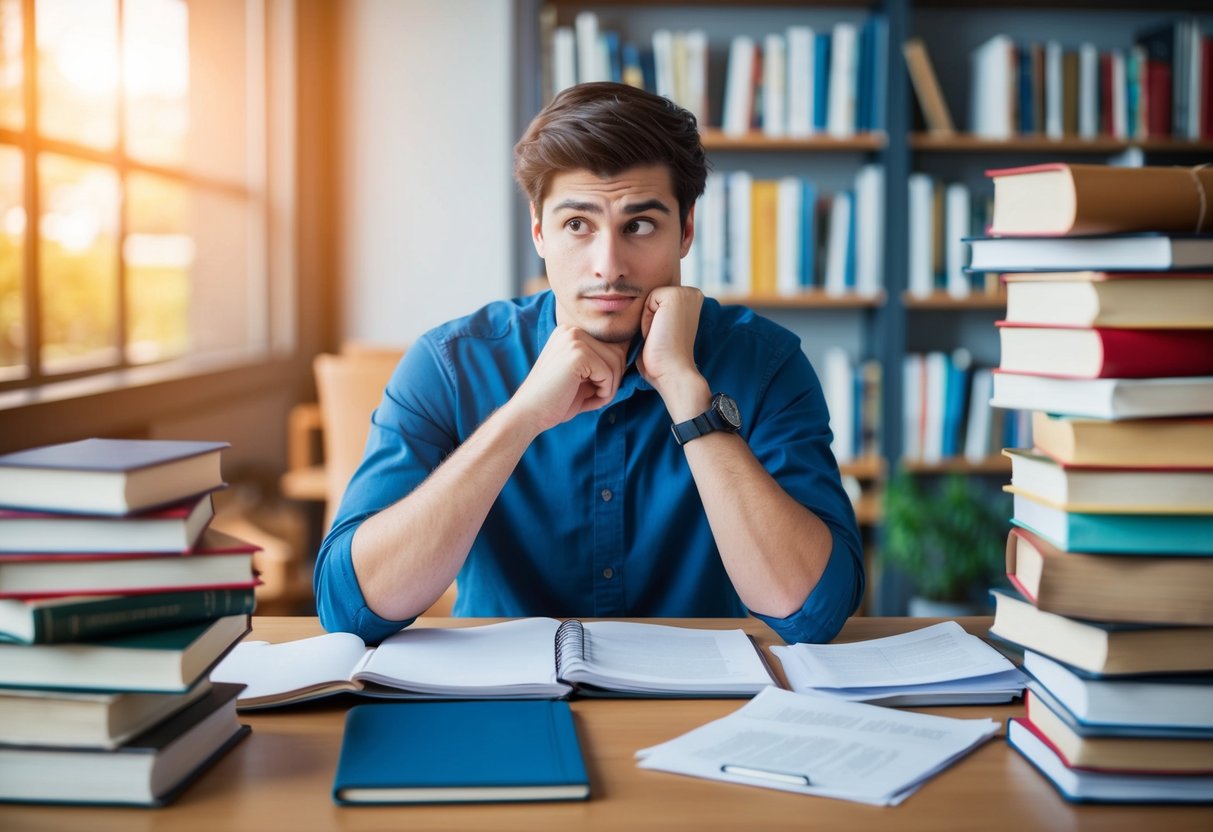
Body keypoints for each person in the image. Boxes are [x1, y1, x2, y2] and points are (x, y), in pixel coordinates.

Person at [314, 82, 864, 645]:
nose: (609, 266)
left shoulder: (767, 364)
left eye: (640, 224)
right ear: (539, 231)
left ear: (686, 230)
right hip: (504, 702)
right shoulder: (449, 364)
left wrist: (686, 394)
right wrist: (523, 415)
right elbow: (352, 607)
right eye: (578, 224)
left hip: (703, 704)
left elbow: (811, 612)